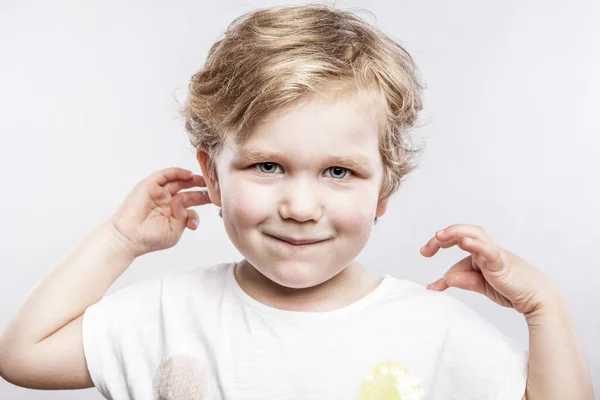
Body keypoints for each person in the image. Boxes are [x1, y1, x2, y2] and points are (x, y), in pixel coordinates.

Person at [0, 4, 593, 400]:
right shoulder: (168, 314)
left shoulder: (433, 330)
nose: (301, 206)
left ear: (383, 188)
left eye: (339, 171)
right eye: (267, 166)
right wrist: (119, 242)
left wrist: (545, 307)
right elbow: (24, 357)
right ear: (211, 170)